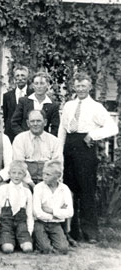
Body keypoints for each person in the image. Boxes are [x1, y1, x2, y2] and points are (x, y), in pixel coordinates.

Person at [58, 72, 118, 243]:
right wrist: (59, 151)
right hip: (69, 146)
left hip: (85, 147)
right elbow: (62, 129)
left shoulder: (96, 107)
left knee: (86, 190)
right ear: (74, 87)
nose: (81, 89)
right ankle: (72, 231)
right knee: (68, 190)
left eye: (84, 86)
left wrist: (93, 134)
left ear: (90, 87)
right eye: (78, 86)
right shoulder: (69, 105)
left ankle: (90, 231)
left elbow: (113, 128)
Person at [13, 110, 62, 186]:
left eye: (38, 121)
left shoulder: (55, 141)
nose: (35, 124)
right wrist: (30, 183)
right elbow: (19, 165)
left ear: (45, 122)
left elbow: (58, 166)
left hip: (48, 181)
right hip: (25, 181)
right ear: (28, 123)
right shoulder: (20, 139)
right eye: (32, 121)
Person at [33, 160, 73, 254]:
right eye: (43, 174)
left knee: (63, 249)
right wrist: (56, 215)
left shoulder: (64, 189)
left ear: (58, 176)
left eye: (48, 174)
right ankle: (42, 244)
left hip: (55, 224)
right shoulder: (38, 188)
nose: (44, 177)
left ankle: (54, 242)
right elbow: (37, 212)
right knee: (46, 249)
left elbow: (69, 212)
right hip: (40, 223)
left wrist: (52, 211)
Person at [0, 160, 33, 254]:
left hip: (21, 224)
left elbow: (29, 214)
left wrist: (30, 231)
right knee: (8, 249)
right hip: (6, 224)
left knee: (28, 248)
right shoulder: (3, 189)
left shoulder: (27, 191)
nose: (16, 176)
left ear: (24, 175)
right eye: (14, 173)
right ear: (9, 174)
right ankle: (9, 241)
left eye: (20, 173)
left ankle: (21, 241)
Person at [11, 71, 60, 137]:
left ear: (47, 85)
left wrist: (47, 140)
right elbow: (14, 122)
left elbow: (55, 127)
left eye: (42, 83)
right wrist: (23, 137)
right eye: (36, 83)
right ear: (33, 85)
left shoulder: (53, 105)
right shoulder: (24, 101)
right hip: (25, 141)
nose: (39, 86)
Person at [2, 66, 33, 142]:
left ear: (27, 77)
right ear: (14, 78)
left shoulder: (32, 95)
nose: (20, 78)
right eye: (17, 76)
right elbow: (6, 117)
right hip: (11, 134)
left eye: (22, 75)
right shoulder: (7, 96)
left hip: (28, 132)